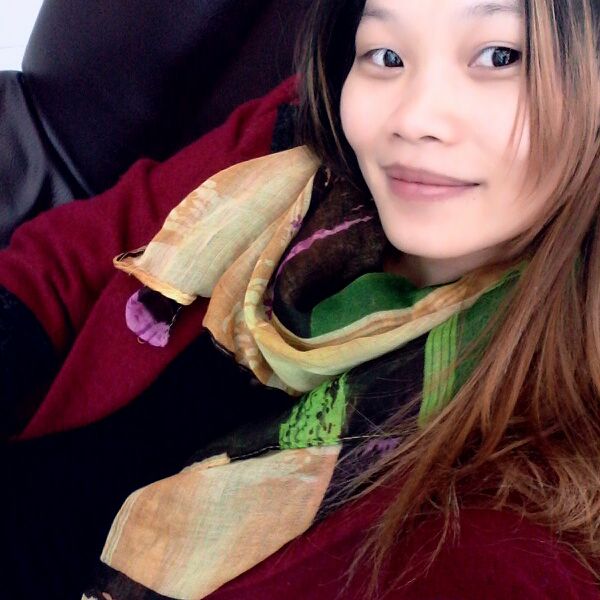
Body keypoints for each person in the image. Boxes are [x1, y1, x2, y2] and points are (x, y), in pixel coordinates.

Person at [1, 0, 599, 598]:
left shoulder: (523, 523)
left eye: (500, 56)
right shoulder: (299, 138)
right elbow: (82, 252)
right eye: (386, 55)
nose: (414, 118)